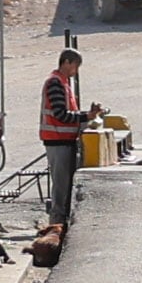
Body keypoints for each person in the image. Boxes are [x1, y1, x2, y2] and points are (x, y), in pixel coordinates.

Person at [39, 46, 98, 225]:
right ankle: (56, 223)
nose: (76, 71)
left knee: (64, 186)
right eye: (75, 66)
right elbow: (61, 115)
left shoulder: (63, 82)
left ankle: (59, 222)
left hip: (63, 141)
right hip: (57, 141)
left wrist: (86, 115)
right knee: (61, 187)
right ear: (66, 62)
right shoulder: (55, 82)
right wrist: (86, 116)